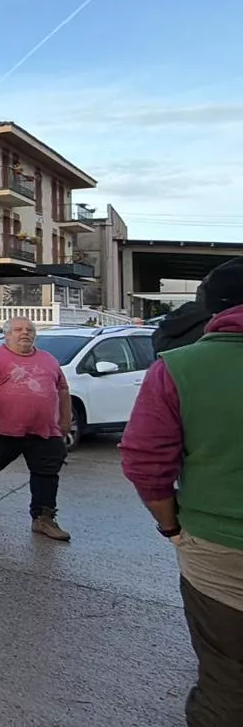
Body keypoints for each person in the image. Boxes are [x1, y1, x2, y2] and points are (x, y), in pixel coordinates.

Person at [120, 257, 243, 725]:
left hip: (220, 555)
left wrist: (170, 526)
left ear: (211, 310)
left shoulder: (180, 367)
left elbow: (145, 464)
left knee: (227, 684)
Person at [0, 317, 72, 541]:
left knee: (47, 473)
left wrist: (65, 419)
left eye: (29, 329)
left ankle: (43, 518)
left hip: (44, 430)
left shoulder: (48, 359)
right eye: (18, 329)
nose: (25, 333)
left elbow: (62, 389)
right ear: (7, 334)